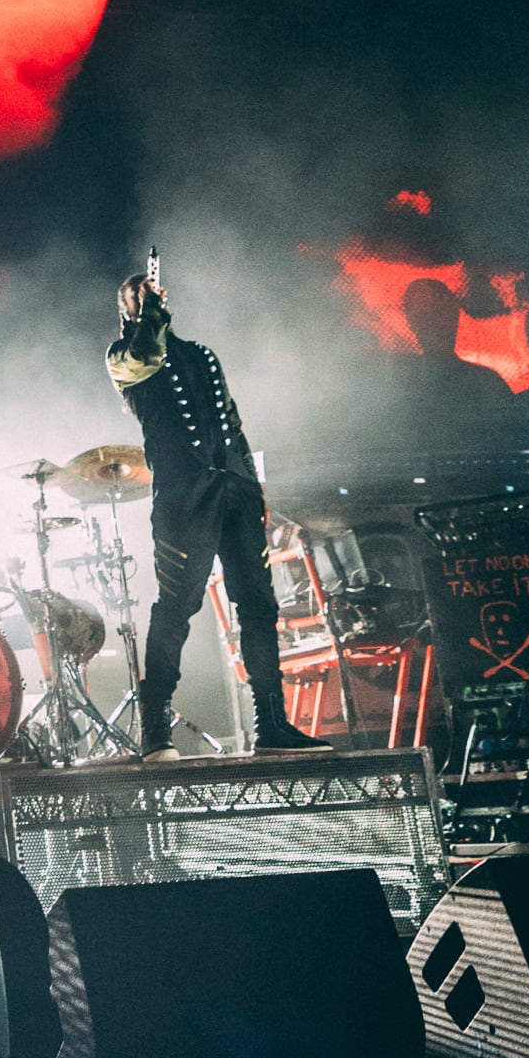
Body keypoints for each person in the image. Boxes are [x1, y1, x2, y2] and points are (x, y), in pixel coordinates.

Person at [107, 270, 311, 757]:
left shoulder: (201, 353)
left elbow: (232, 424)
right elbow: (145, 356)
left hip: (236, 493)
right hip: (183, 497)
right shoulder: (124, 357)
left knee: (259, 605)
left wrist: (256, 492)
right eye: (139, 297)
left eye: (154, 293)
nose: (151, 299)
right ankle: (155, 728)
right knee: (177, 606)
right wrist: (148, 314)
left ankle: (273, 724)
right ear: (127, 311)